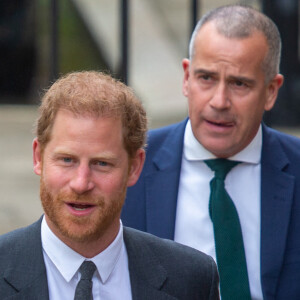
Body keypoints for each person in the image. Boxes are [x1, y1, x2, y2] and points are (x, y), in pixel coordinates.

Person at [121, 4, 300, 300]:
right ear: (186, 77)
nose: (219, 101)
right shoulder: (127, 167)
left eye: (239, 83)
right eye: (206, 78)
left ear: (271, 91)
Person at [0, 71, 219, 299]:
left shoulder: (191, 279)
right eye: (67, 160)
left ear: (134, 167)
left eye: (101, 163)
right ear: (38, 157)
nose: (81, 183)